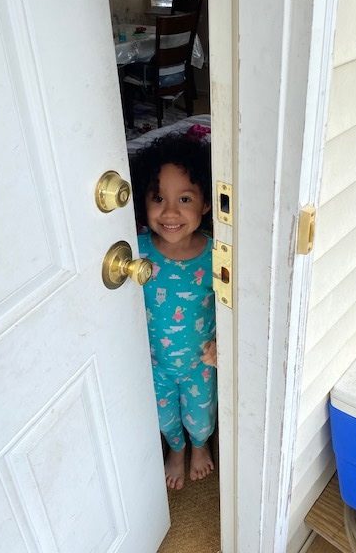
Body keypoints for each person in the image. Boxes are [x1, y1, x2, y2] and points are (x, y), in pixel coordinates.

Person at [130, 133, 217, 491]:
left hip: (200, 361)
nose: (169, 212)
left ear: (206, 205)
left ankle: (199, 446)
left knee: (200, 417)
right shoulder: (135, 252)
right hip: (153, 361)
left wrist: (222, 341)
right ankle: (176, 450)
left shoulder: (217, 254)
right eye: (158, 198)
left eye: (184, 199)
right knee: (164, 416)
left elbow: (236, 303)